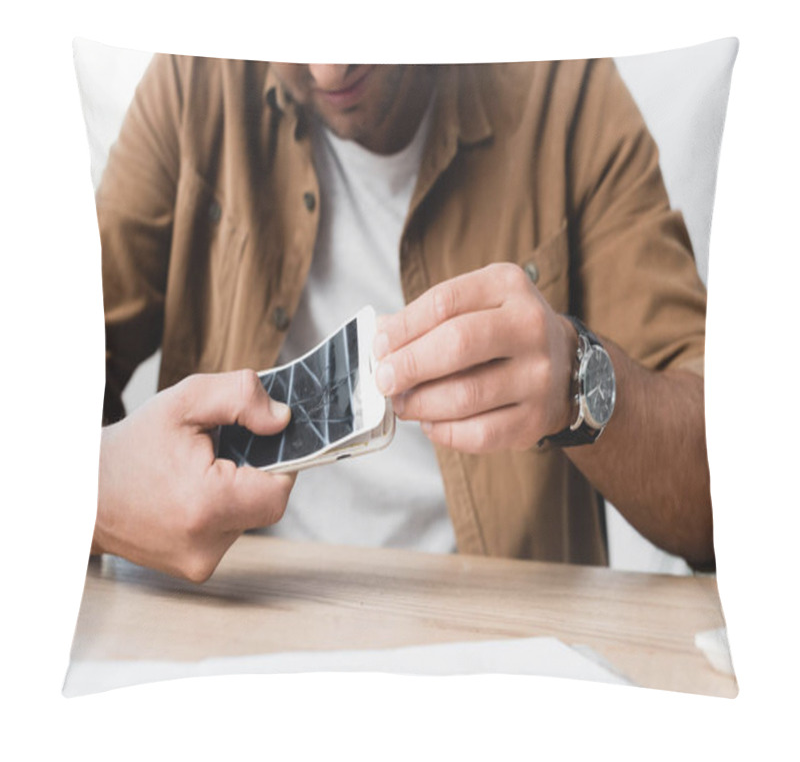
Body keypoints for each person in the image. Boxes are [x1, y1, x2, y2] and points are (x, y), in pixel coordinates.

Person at [94, 59, 712, 581]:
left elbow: (726, 499)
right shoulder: (196, 77)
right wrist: (97, 495)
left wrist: (579, 382)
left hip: (495, 652)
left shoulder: (567, 91)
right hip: (226, 628)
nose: (328, 70)